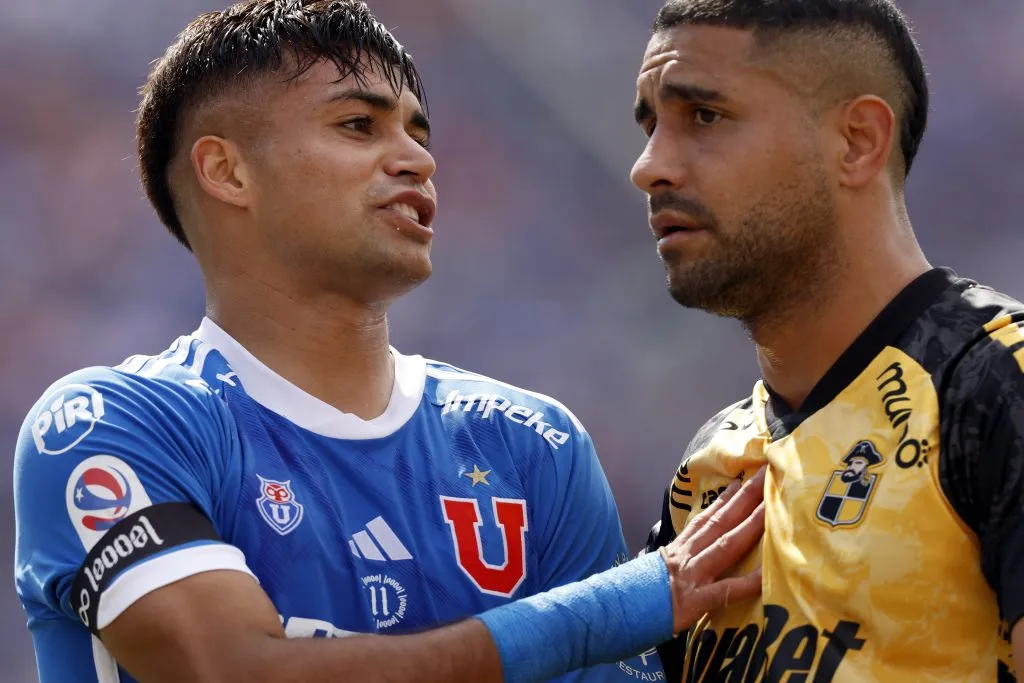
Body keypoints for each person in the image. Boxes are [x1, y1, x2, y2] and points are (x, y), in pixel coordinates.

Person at [12, 2, 767, 682]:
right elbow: (234, 669)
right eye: (358, 125)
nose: (418, 159)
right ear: (227, 170)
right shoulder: (111, 425)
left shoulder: (535, 444)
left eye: (418, 130)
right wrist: (605, 610)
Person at [630, 0, 1023, 681]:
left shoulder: (995, 383)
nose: (649, 165)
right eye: (650, 124)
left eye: (704, 116)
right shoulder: (705, 472)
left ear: (857, 141)